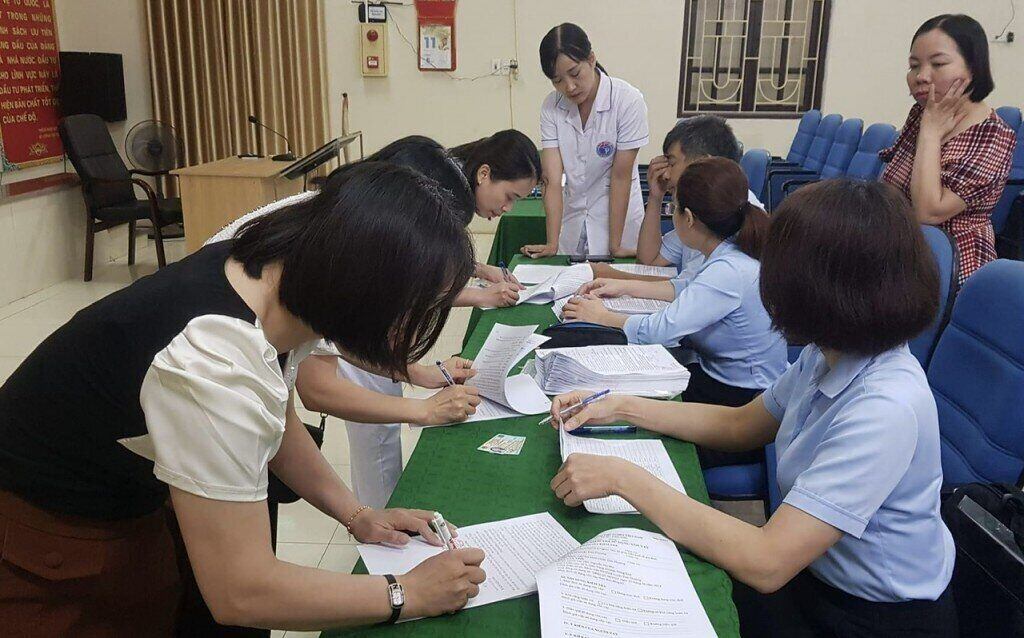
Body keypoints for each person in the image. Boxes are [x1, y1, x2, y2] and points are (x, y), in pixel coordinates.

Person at [0, 162, 487, 635]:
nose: (408, 332)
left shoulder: (280, 275)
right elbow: (241, 591)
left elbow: (275, 414)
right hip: (42, 530)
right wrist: (406, 593)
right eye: (416, 309)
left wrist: (358, 515)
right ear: (366, 293)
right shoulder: (215, 359)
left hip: (124, 500)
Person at [549, 179, 957, 637]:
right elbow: (741, 424)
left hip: (868, 617)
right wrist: (620, 405)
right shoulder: (828, 352)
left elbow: (767, 562)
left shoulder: (884, 406)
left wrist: (623, 478)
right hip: (812, 576)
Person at [213, 134, 540, 509]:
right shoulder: (330, 265)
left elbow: (344, 349)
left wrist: (417, 374)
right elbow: (317, 389)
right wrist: (422, 409)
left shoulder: (349, 233)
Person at [562, 158, 785, 470]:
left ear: (688, 218)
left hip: (739, 405)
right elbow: (687, 288)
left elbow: (662, 329)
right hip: (723, 384)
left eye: (673, 208)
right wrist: (624, 286)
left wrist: (603, 317)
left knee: (632, 423)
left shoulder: (729, 270)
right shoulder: (728, 254)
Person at [880, 13, 1015, 286]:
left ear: (973, 68)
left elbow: (928, 212)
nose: (921, 76)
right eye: (914, 65)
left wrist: (930, 133)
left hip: (951, 271)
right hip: (900, 255)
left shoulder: (993, 135)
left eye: (938, 64)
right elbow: (891, 186)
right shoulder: (923, 113)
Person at [521, 22, 649, 259]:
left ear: (591, 59)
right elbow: (552, 179)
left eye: (575, 73)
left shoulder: (627, 101)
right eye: (557, 80)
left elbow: (620, 177)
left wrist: (615, 245)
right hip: (574, 220)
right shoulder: (551, 106)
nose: (569, 87)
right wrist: (552, 243)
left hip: (619, 225)